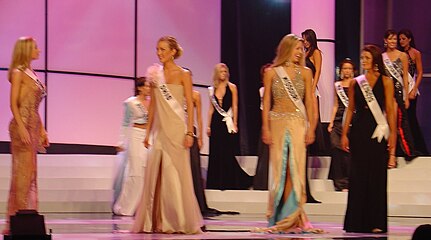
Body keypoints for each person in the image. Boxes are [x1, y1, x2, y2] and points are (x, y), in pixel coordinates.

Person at [131, 36, 203, 234]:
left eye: (163, 49)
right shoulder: (155, 75)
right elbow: (153, 105)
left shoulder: (184, 74)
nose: (159, 53)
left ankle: (178, 220)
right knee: (157, 174)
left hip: (178, 130)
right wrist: (147, 133)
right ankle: (158, 220)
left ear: (173, 51)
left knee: (176, 174)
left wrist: (190, 132)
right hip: (161, 131)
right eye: (157, 49)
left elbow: (189, 103)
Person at [258, 34, 320, 233]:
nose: (300, 52)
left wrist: (311, 128)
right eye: (296, 48)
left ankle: (293, 216)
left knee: (296, 170)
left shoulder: (306, 72)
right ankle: (281, 215)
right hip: (276, 122)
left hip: (298, 123)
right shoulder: (272, 72)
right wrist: (265, 127)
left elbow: (310, 102)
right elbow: (266, 102)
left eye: (302, 49)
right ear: (286, 49)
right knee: (279, 171)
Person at [341, 45, 396, 233]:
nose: (363, 61)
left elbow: (390, 111)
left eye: (366, 58)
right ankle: (356, 222)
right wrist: (344, 134)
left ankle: (376, 222)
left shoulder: (386, 81)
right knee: (358, 177)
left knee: (377, 178)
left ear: (374, 59)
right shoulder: (356, 83)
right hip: (359, 133)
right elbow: (350, 109)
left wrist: (393, 148)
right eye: (362, 58)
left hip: (378, 133)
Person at [3, 37, 49, 235]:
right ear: (26, 50)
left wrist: (42, 130)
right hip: (21, 126)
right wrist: (21, 127)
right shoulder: (18, 73)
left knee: (30, 174)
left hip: (32, 126)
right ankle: (18, 220)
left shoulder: (32, 73)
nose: (38, 50)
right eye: (35, 47)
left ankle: (26, 216)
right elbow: (14, 104)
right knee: (23, 174)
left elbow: (35, 106)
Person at [206, 63, 252, 190]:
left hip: (227, 123)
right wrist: (208, 126)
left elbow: (235, 106)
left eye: (225, 71)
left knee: (227, 151)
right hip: (216, 123)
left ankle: (228, 181)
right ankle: (215, 182)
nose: (224, 73)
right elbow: (211, 109)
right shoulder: (212, 90)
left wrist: (235, 123)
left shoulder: (232, 87)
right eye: (221, 71)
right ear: (217, 73)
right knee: (215, 151)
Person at [112, 77, 150, 216]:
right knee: (135, 172)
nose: (148, 89)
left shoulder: (152, 103)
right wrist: (121, 141)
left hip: (148, 136)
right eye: (146, 86)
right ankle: (126, 206)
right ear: (139, 87)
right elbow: (125, 123)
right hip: (135, 135)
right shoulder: (131, 103)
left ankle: (141, 207)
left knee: (146, 171)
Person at [383, 29, 416, 167]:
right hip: (385, 94)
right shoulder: (382, 56)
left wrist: (407, 97)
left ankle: (392, 156)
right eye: (390, 39)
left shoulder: (402, 55)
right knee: (384, 125)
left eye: (394, 39)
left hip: (397, 94)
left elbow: (405, 78)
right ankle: (385, 153)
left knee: (395, 124)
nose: (393, 42)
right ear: (385, 40)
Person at [398, 29, 428, 155]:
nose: (401, 41)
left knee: (411, 118)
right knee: (401, 119)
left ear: (410, 39)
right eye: (400, 39)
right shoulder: (398, 54)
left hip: (411, 89)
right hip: (400, 89)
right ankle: (403, 147)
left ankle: (417, 147)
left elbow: (420, 72)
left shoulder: (416, 53)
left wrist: (415, 88)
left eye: (404, 39)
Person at [301, 29, 323, 203]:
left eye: (306, 39)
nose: (304, 42)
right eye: (303, 39)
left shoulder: (316, 53)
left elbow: (317, 72)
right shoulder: (303, 52)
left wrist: (312, 88)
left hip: (311, 88)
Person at [327, 59, 355, 191]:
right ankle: (339, 182)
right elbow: (335, 105)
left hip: (351, 121)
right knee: (336, 149)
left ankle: (348, 182)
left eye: (349, 68)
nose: (347, 71)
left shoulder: (357, 84)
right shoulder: (337, 85)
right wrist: (331, 121)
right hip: (338, 120)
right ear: (341, 71)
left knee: (348, 152)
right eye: (345, 68)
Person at [253, 63, 272, 190]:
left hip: (279, 120)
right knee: (264, 153)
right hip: (268, 122)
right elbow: (262, 108)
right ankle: (262, 182)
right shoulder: (262, 90)